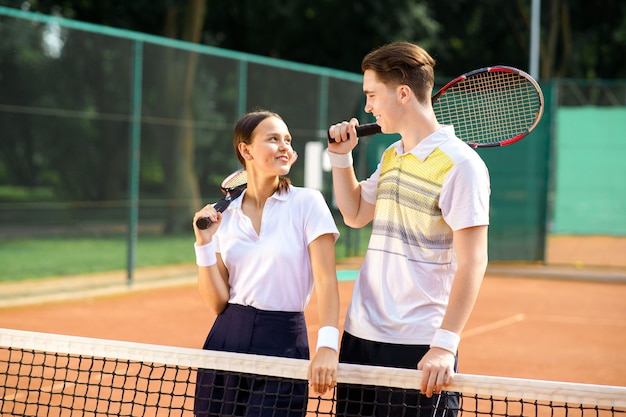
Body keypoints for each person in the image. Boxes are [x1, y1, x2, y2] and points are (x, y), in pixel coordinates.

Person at [327, 42, 490, 416]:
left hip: (417, 344)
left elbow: (474, 261)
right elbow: (354, 213)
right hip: (359, 337)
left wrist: (446, 345)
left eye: (371, 95)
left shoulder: (462, 166)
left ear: (402, 93)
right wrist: (340, 158)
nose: (366, 108)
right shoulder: (392, 155)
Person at [192, 110, 341, 417]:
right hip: (225, 339)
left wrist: (328, 345)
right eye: (273, 139)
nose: (284, 146)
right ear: (245, 149)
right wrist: (204, 244)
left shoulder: (308, 203)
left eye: (288, 140)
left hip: (283, 339)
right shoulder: (225, 217)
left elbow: (326, 281)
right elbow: (217, 302)